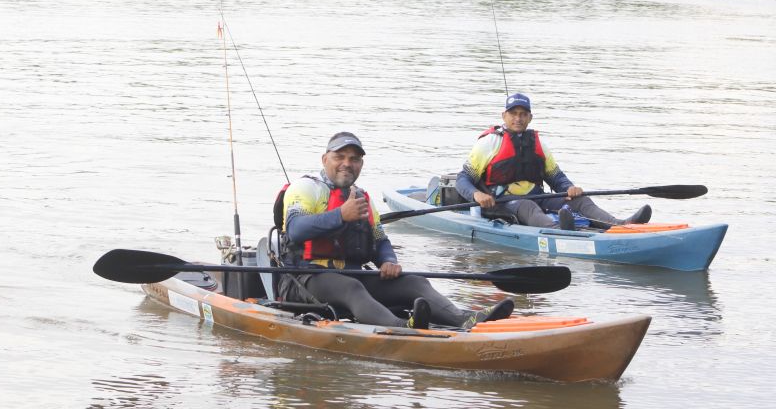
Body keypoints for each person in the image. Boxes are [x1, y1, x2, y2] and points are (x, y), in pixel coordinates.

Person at [277, 131, 513, 330]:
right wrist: (341, 215)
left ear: (361, 164)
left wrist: (388, 260)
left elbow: (379, 240)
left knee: (414, 283)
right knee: (352, 288)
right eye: (339, 156)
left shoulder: (362, 198)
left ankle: (466, 320)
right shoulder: (306, 188)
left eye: (354, 159)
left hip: (352, 275)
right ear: (324, 159)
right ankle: (401, 328)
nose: (347, 163)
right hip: (305, 279)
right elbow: (296, 230)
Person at [455, 93, 651, 231]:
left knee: (579, 200)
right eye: (513, 114)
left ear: (530, 117)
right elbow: (462, 179)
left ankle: (620, 224)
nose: (518, 118)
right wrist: (477, 194)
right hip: (502, 202)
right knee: (526, 207)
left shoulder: (538, 143)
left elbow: (555, 176)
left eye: (523, 114)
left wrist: (570, 187)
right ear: (504, 116)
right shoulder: (490, 142)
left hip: (536, 196)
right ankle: (559, 231)